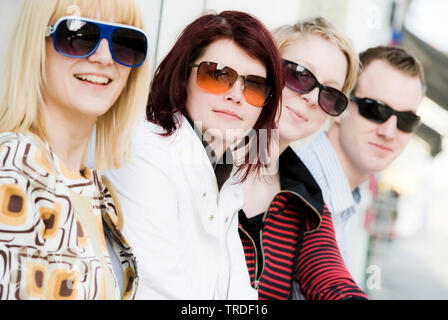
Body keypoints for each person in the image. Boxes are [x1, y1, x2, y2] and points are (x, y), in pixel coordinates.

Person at [103, 11, 284, 299]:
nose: (236, 95)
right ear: (182, 76)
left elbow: (238, 293)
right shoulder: (146, 154)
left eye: (254, 85)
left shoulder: (227, 171)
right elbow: (157, 292)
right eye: (217, 75)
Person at [0, 0, 150, 300]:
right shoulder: (15, 168)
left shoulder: (99, 191)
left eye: (124, 42)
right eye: (79, 36)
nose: (105, 58)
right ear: (36, 45)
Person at [239, 17, 368, 299]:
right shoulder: (203, 156)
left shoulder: (307, 201)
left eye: (329, 94)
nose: (311, 98)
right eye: (299, 74)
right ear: (265, 65)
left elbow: (332, 281)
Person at [297, 45, 424, 276]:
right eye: (375, 110)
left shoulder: (344, 201)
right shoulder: (297, 189)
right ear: (339, 106)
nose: (389, 132)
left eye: (406, 121)